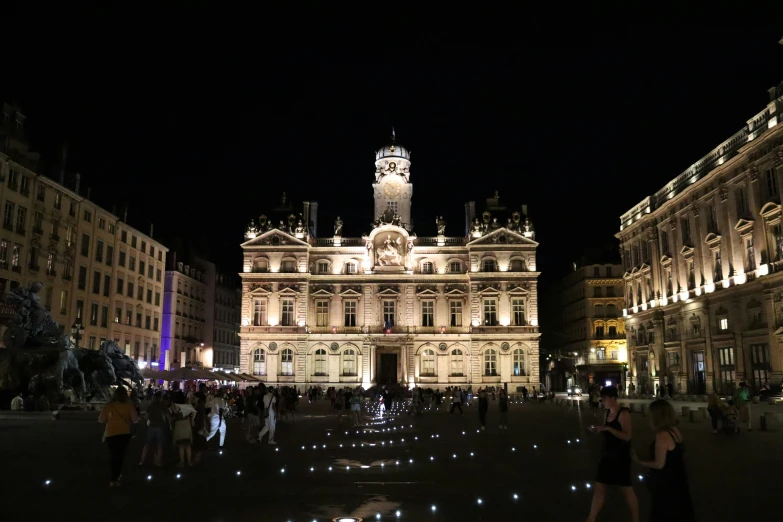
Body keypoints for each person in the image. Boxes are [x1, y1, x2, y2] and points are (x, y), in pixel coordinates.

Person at [633, 400, 695, 521]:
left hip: (666, 483)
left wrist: (639, 461)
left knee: (664, 513)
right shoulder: (674, 430)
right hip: (678, 479)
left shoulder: (662, 435)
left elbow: (659, 464)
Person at [585, 385, 639, 522]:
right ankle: (591, 518)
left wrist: (608, 428)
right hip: (607, 455)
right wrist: (598, 430)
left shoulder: (624, 414)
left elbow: (627, 436)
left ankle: (635, 518)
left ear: (612, 398)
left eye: (604, 399)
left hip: (620, 456)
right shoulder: (607, 413)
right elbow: (607, 433)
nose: (602, 401)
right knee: (599, 487)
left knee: (626, 489)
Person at [99, 385, 139, 487]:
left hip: (111, 433)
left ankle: (114, 477)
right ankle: (116, 476)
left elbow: (101, 420)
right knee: (120, 455)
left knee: (113, 455)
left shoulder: (108, 406)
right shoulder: (128, 405)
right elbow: (135, 420)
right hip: (124, 433)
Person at [139, 392, 170, 467]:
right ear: (160, 398)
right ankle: (158, 462)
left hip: (151, 426)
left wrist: (151, 419)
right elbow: (168, 416)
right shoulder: (163, 406)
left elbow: (146, 416)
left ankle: (142, 461)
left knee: (147, 445)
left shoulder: (151, 405)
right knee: (160, 445)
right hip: (160, 426)